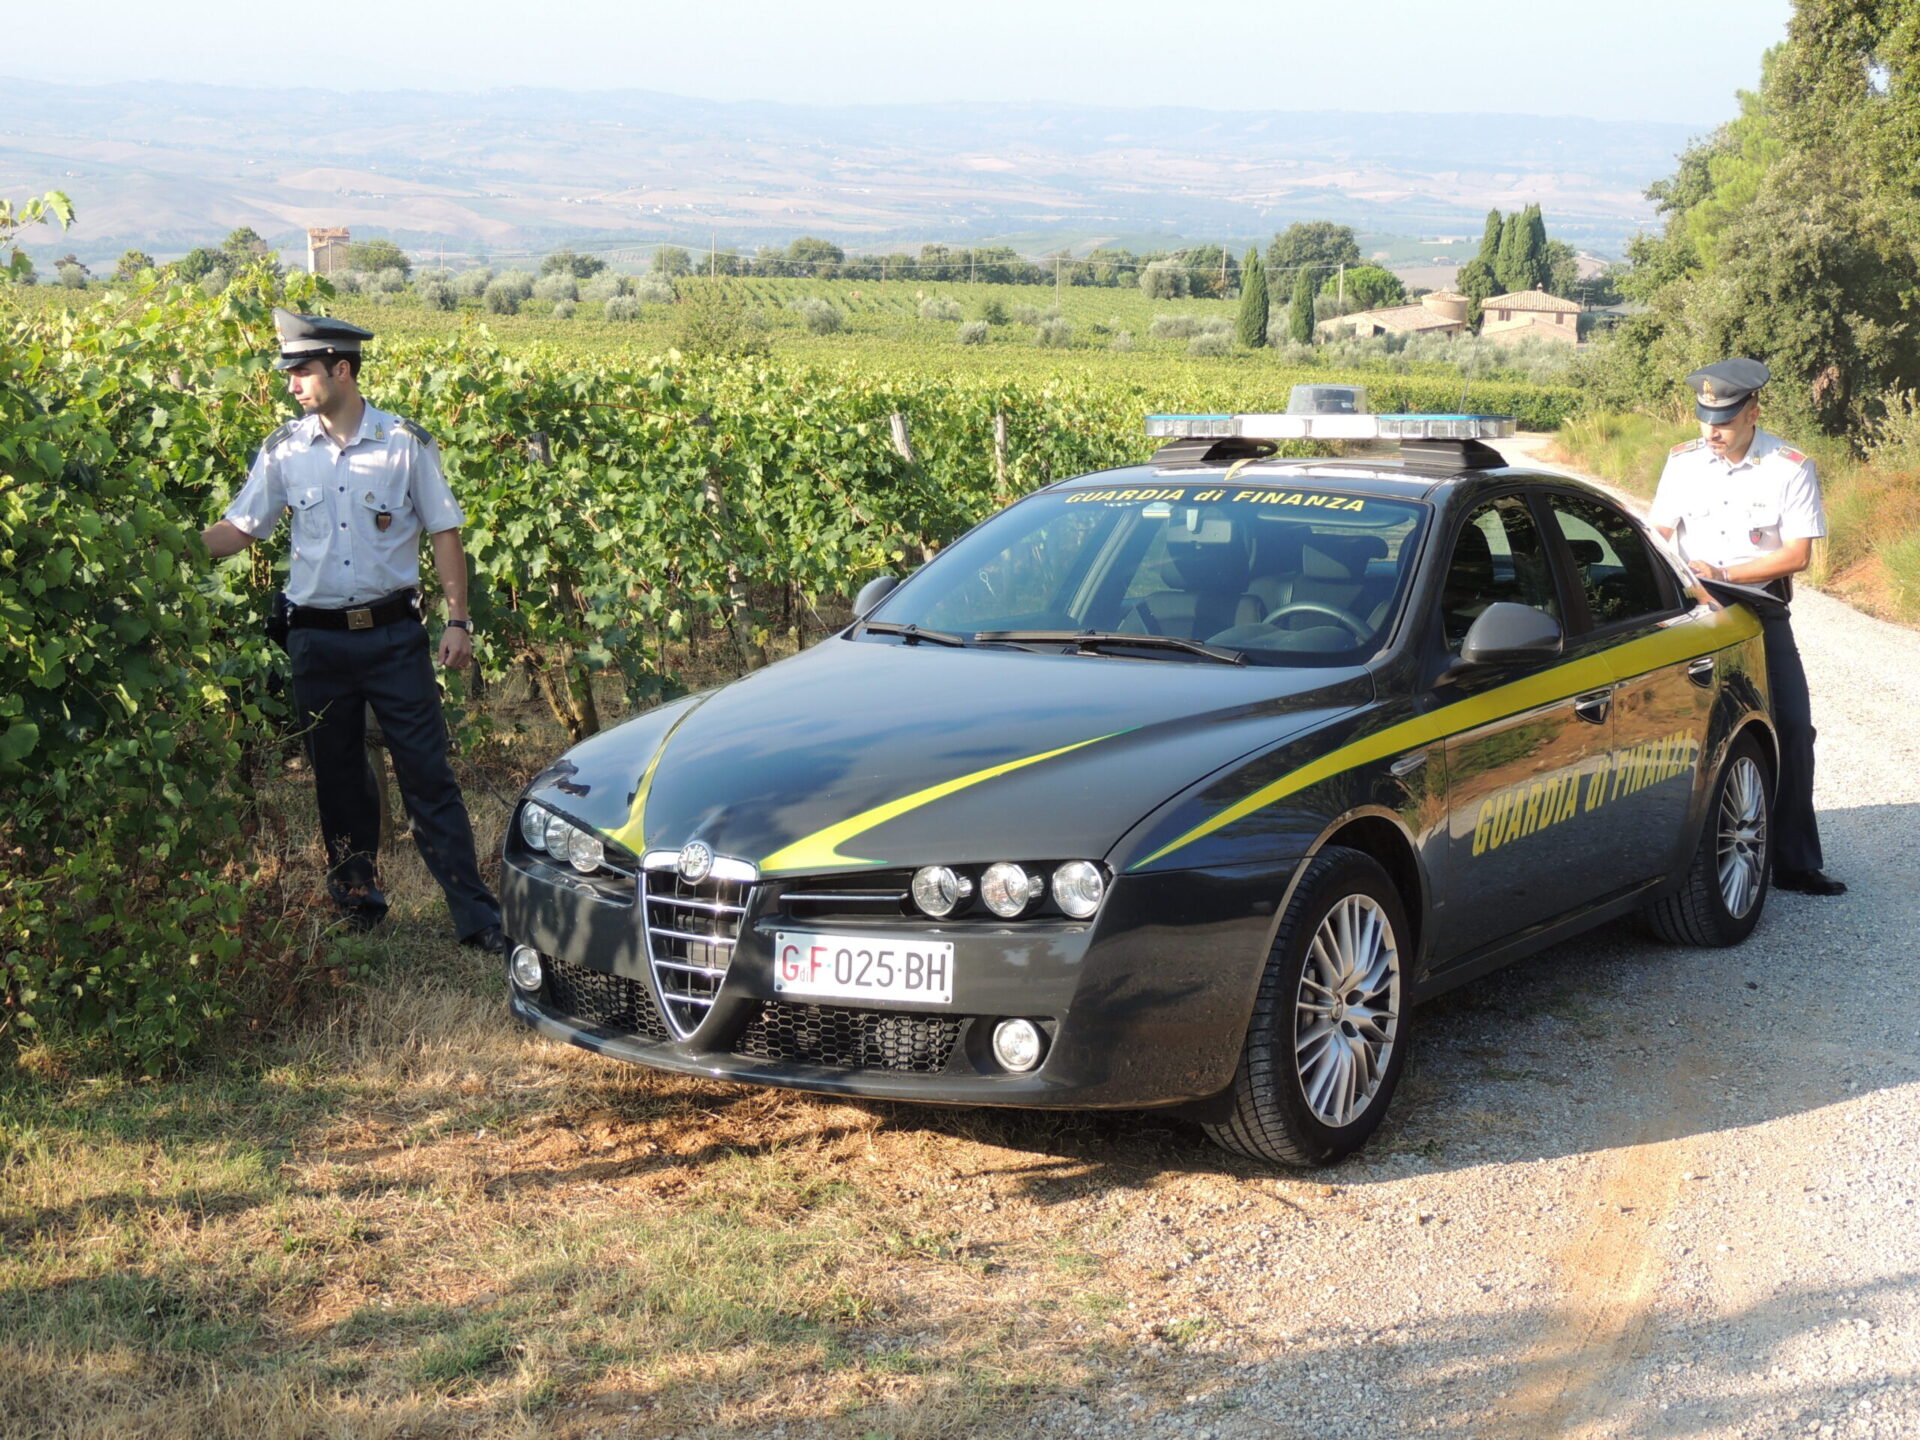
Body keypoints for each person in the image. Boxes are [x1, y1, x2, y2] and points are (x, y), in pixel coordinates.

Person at [200, 307, 509, 948]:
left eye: (302, 371)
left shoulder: (403, 445)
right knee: (337, 777)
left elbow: (445, 531)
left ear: (342, 370)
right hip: (315, 639)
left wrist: (459, 619)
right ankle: (357, 904)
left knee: (428, 776)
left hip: (395, 638)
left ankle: (476, 918)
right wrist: (163, 546)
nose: (292, 384)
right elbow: (239, 530)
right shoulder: (285, 451)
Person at [1649, 357, 1845, 897]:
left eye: (1725, 421)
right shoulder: (1683, 462)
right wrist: (1688, 580)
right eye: (1705, 419)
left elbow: (1797, 555)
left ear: (1753, 412)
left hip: (1758, 608)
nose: (1713, 432)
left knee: (1793, 729)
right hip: (1693, 607)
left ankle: (1795, 862)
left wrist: (1725, 572)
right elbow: (1660, 531)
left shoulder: (1789, 466)